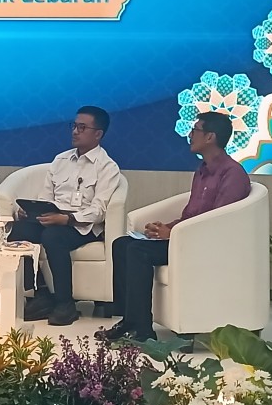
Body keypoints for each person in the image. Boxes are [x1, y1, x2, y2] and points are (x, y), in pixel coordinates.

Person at [102, 111, 251, 342]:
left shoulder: (232, 174)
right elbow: (192, 214)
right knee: (122, 244)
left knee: (137, 250)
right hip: (185, 238)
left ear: (210, 137)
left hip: (204, 244)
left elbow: (218, 222)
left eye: (195, 130)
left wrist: (172, 233)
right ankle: (128, 320)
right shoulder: (202, 171)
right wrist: (165, 227)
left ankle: (143, 330)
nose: (190, 135)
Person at [9, 106, 121, 326]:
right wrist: (33, 212)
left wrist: (68, 218)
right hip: (53, 219)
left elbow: (99, 210)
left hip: (82, 226)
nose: (75, 131)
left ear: (98, 134)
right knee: (19, 231)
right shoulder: (60, 160)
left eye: (82, 127)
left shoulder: (107, 167)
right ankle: (41, 294)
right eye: (74, 126)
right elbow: (46, 196)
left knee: (53, 236)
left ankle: (65, 303)